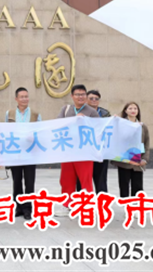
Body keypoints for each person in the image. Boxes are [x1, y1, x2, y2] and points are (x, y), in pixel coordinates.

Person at [55, 84, 100, 217]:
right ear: (72, 96)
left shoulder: (91, 112)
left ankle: (87, 206)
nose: (80, 97)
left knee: (85, 180)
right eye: (77, 94)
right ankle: (67, 205)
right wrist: (73, 120)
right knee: (66, 180)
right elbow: (57, 125)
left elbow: (98, 129)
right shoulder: (66, 109)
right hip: (68, 151)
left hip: (84, 152)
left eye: (83, 94)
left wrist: (85, 121)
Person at [5, 87, 41, 220]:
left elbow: (40, 131)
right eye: (22, 97)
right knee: (17, 181)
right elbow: (6, 131)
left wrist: (34, 136)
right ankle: (18, 207)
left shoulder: (35, 114)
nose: (25, 99)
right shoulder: (10, 113)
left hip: (30, 153)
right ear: (16, 99)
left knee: (29, 182)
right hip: (15, 152)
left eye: (26, 96)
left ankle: (28, 208)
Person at [111, 102, 150, 197]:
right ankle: (125, 204)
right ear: (125, 111)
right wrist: (115, 121)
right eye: (130, 108)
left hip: (138, 161)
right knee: (124, 187)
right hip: (124, 161)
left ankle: (135, 205)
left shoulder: (142, 126)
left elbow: (147, 143)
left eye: (135, 108)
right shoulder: (120, 124)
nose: (133, 110)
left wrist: (145, 159)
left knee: (138, 187)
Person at [78, 90, 112, 193]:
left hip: (100, 150)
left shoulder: (105, 114)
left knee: (101, 178)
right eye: (91, 98)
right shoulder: (80, 112)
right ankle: (82, 199)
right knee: (82, 178)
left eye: (96, 99)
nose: (94, 100)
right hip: (85, 150)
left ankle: (102, 199)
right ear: (86, 100)